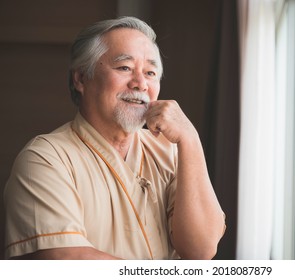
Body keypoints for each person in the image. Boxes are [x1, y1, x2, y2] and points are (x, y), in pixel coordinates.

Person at [3, 16, 225, 260]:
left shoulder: (170, 150)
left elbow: (201, 250)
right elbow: (65, 259)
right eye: (124, 68)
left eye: (150, 72)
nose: (141, 84)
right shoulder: (45, 159)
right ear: (80, 78)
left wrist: (190, 139)